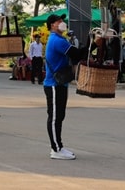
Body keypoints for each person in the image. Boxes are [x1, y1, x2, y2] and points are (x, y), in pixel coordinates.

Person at [42, 13, 75, 160]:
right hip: (54, 85)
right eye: (58, 21)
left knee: (60, 116)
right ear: (52, 25)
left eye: (62, 20)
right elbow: (76, 54)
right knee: (55, 117)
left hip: (60, 83)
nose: (62, 23)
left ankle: (59, 146)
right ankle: (55, 149)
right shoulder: (57, 40)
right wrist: (93, 44)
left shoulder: (61, 39)